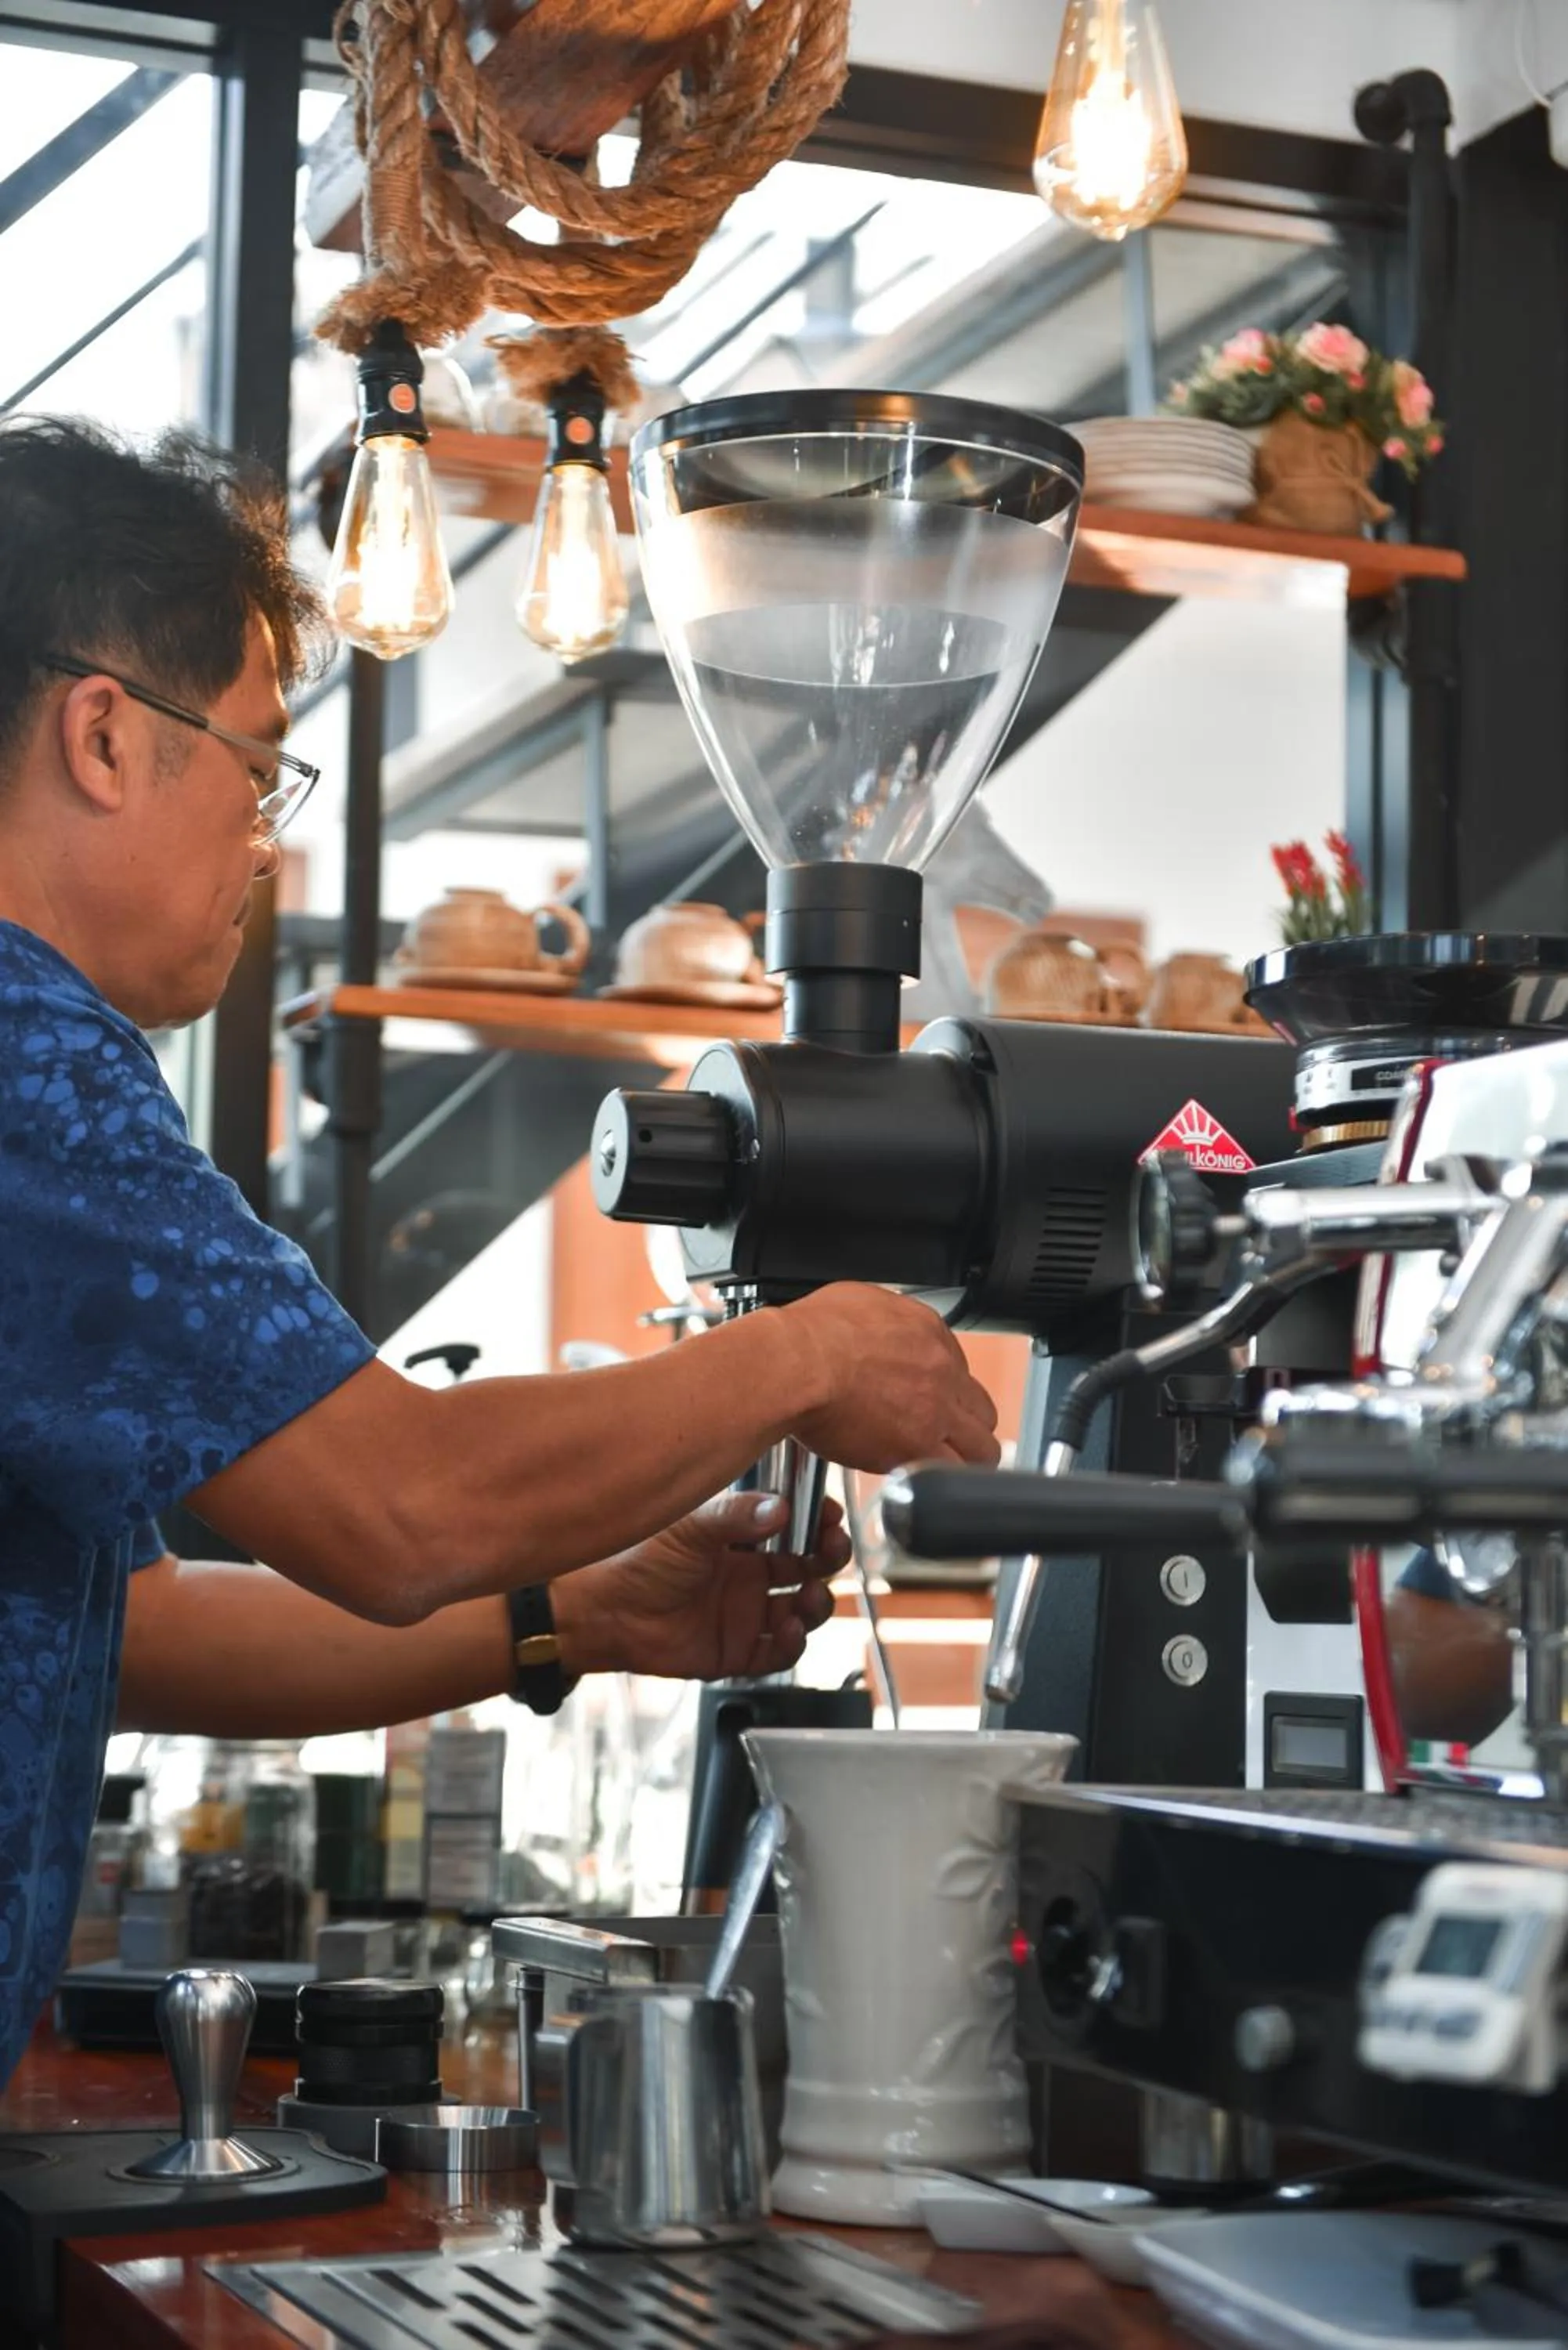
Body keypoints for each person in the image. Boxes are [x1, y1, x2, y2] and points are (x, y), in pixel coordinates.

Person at [0, 420, 1001, 2088]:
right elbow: (401, 1506)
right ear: (105, 734)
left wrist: (570, 1612)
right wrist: (807, 1350)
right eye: (257, 769)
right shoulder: (29, 1063)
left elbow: (145, 1629)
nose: (266, 842)